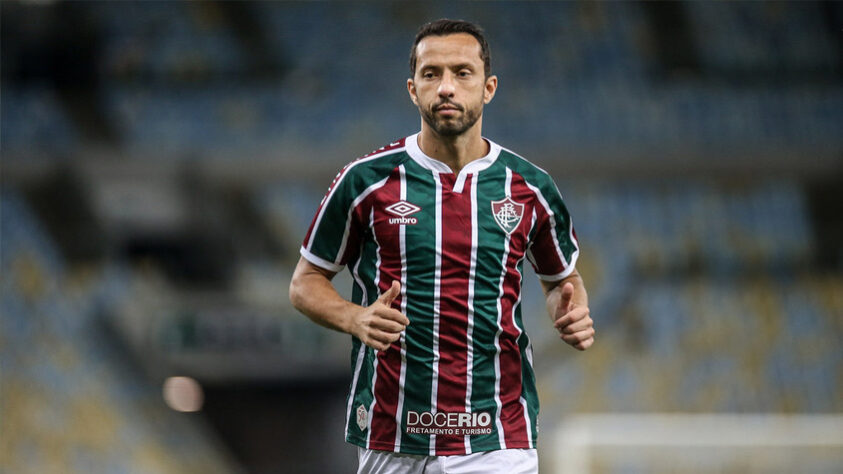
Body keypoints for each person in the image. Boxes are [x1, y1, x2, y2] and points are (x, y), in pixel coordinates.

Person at [289, 18, 594, 474]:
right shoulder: (366, 182)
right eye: (432, 74)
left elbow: (562, 279)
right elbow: (304, 283)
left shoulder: (530, 187)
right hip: (392, 432)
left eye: (462, 72)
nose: (446, 87)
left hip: (496, 435)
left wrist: (568, 311)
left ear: (488, 87)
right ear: (413, 89)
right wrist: (356, 317)